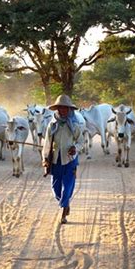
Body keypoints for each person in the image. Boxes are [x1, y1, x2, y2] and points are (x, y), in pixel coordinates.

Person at [42, 94, 84, 224]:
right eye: (60, 108)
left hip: (70, 160)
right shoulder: (52, 125)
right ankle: (64, 203)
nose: (63, 110)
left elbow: (81, 141)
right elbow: (47, 143)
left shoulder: (74, 125)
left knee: (68, 186)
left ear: (69, 109)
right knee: (56, 188)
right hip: (55, 160)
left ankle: (64, 211)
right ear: (57, 109)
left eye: (65, 108)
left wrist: (75, 148)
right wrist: (45, 159)